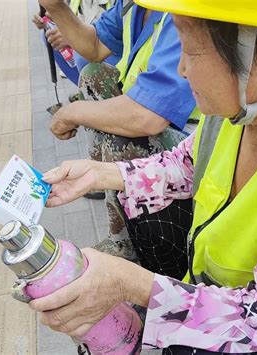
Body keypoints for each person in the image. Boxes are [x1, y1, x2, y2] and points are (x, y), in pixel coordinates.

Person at [30, 0, 257, 354]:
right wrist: (100, 174)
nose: (181, 70)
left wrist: (133, 283)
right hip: (235, 299)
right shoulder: (253, 98)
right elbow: (187, 164)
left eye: (191, 49)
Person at [39, 0, 199, 261]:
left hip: (190, 136)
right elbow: (93, 47)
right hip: (156, 121)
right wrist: (55, 6)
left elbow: (148, 117)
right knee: (96, 75)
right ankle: (119, 222)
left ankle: (133, 250)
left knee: (123, 129)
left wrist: (72, 112)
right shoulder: (133, 5)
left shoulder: (182, 10)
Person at [32, 0, 119, 87]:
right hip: (94, 36)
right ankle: (85, 89)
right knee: (48, 36)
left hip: (116, 49)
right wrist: (50, 13)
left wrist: (71, 36)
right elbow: (67, 10)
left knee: (81, 58)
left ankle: (101, 93)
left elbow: (109, 32)